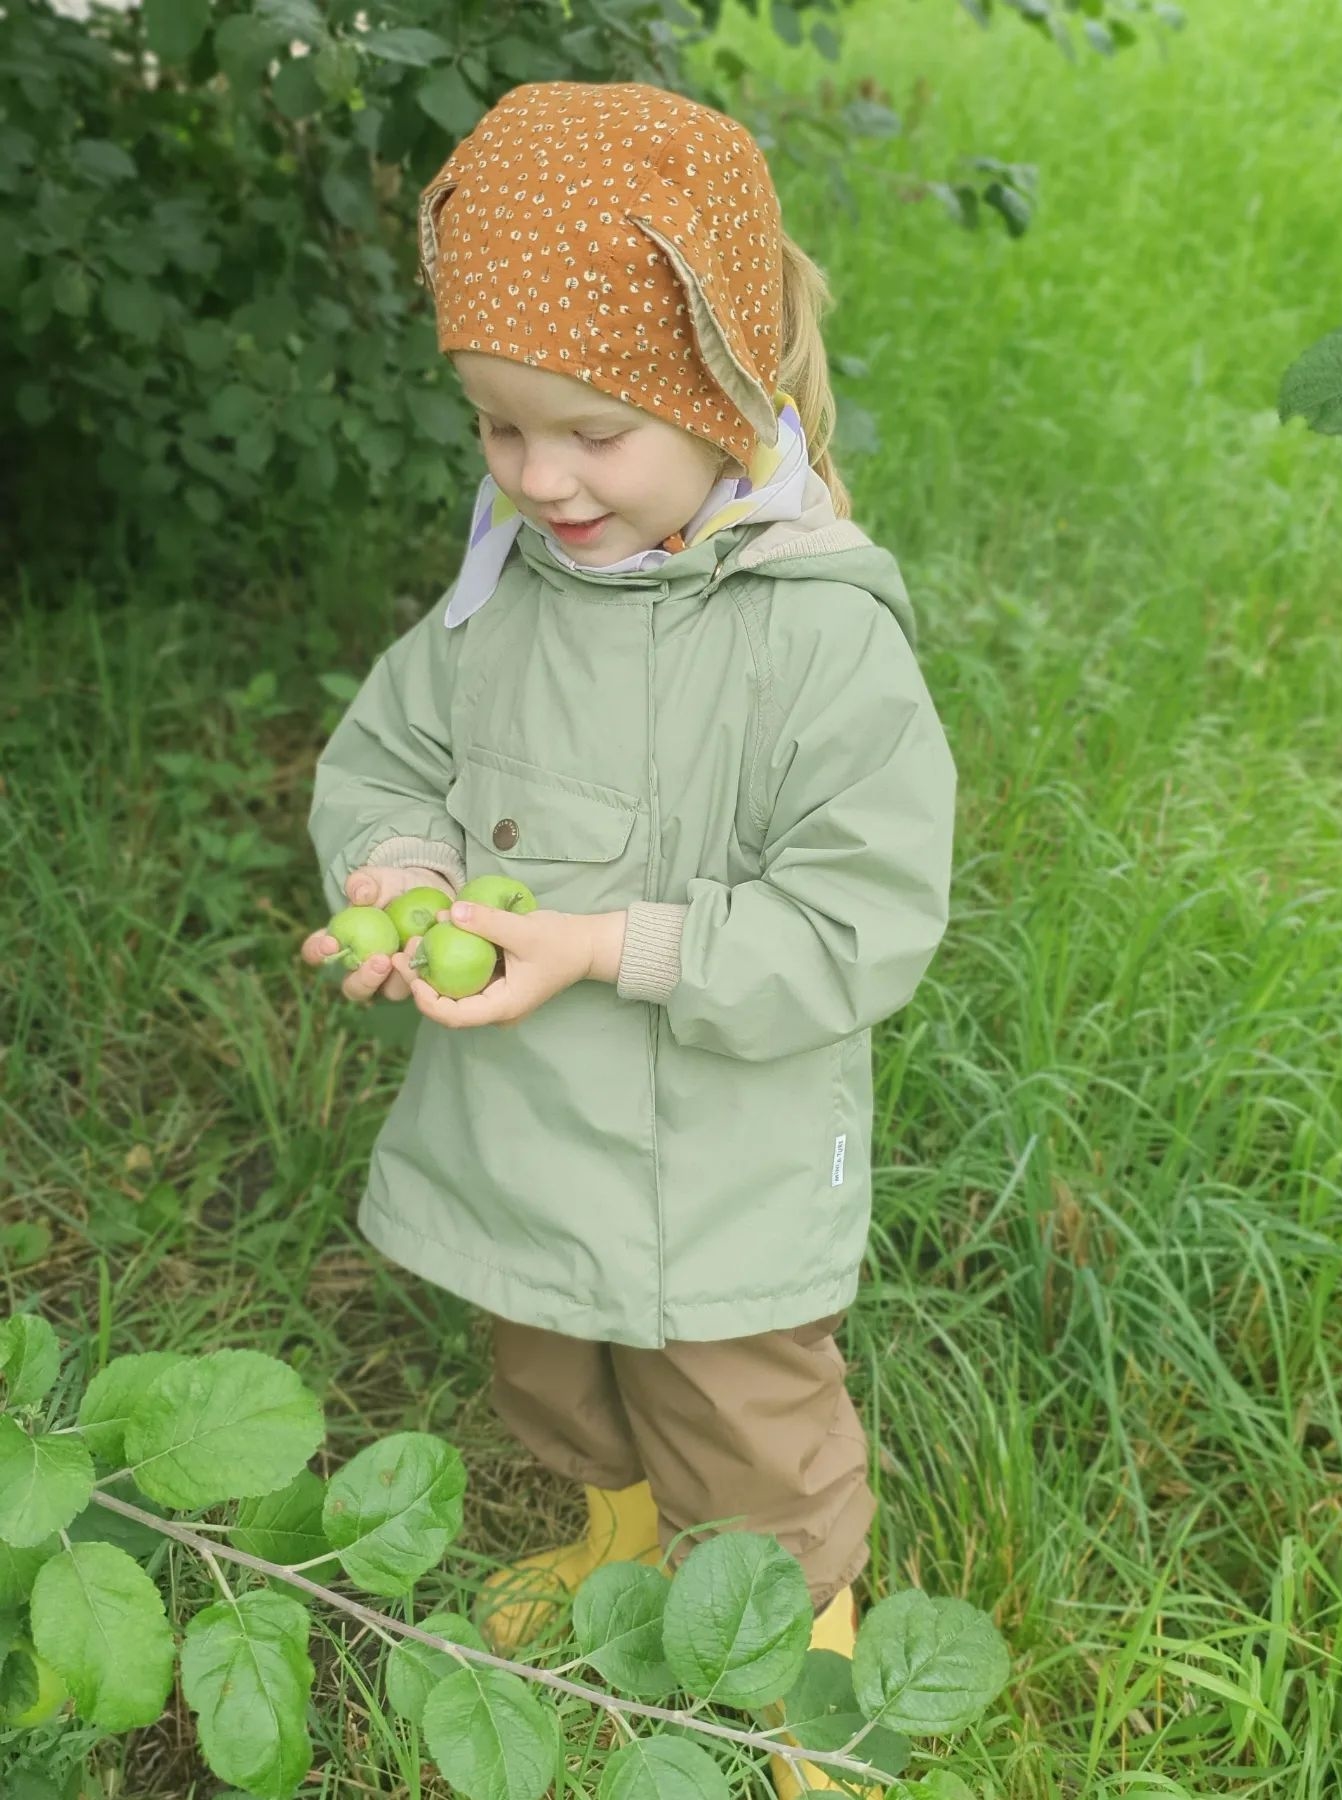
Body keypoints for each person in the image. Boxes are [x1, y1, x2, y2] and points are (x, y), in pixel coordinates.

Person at [300, 80, 957, 1796]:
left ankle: (810, 1659)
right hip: (526, 1135)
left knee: (748, 1419)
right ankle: (614, 1534)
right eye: (499, 429)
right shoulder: (500, 598)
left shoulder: (821, 641)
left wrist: (610, 946)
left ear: (724, 392)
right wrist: (398, 872)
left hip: (720, 1164)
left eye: (589, 429)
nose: (539, 477)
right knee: (554, 1358)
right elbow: (391, 759)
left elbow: (859, 918)